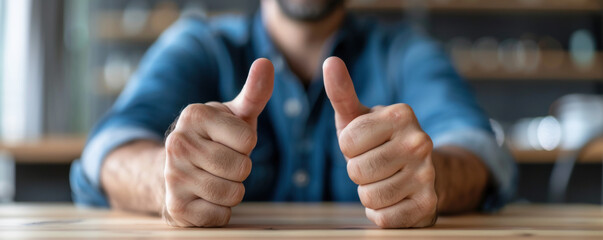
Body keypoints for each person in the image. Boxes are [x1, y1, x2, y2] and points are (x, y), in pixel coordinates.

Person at [70, 0, 516, 228]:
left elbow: (479, 150)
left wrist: (430, 174)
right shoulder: (199, 44)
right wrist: (165, 176)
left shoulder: (405, 51)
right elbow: (110, 147)